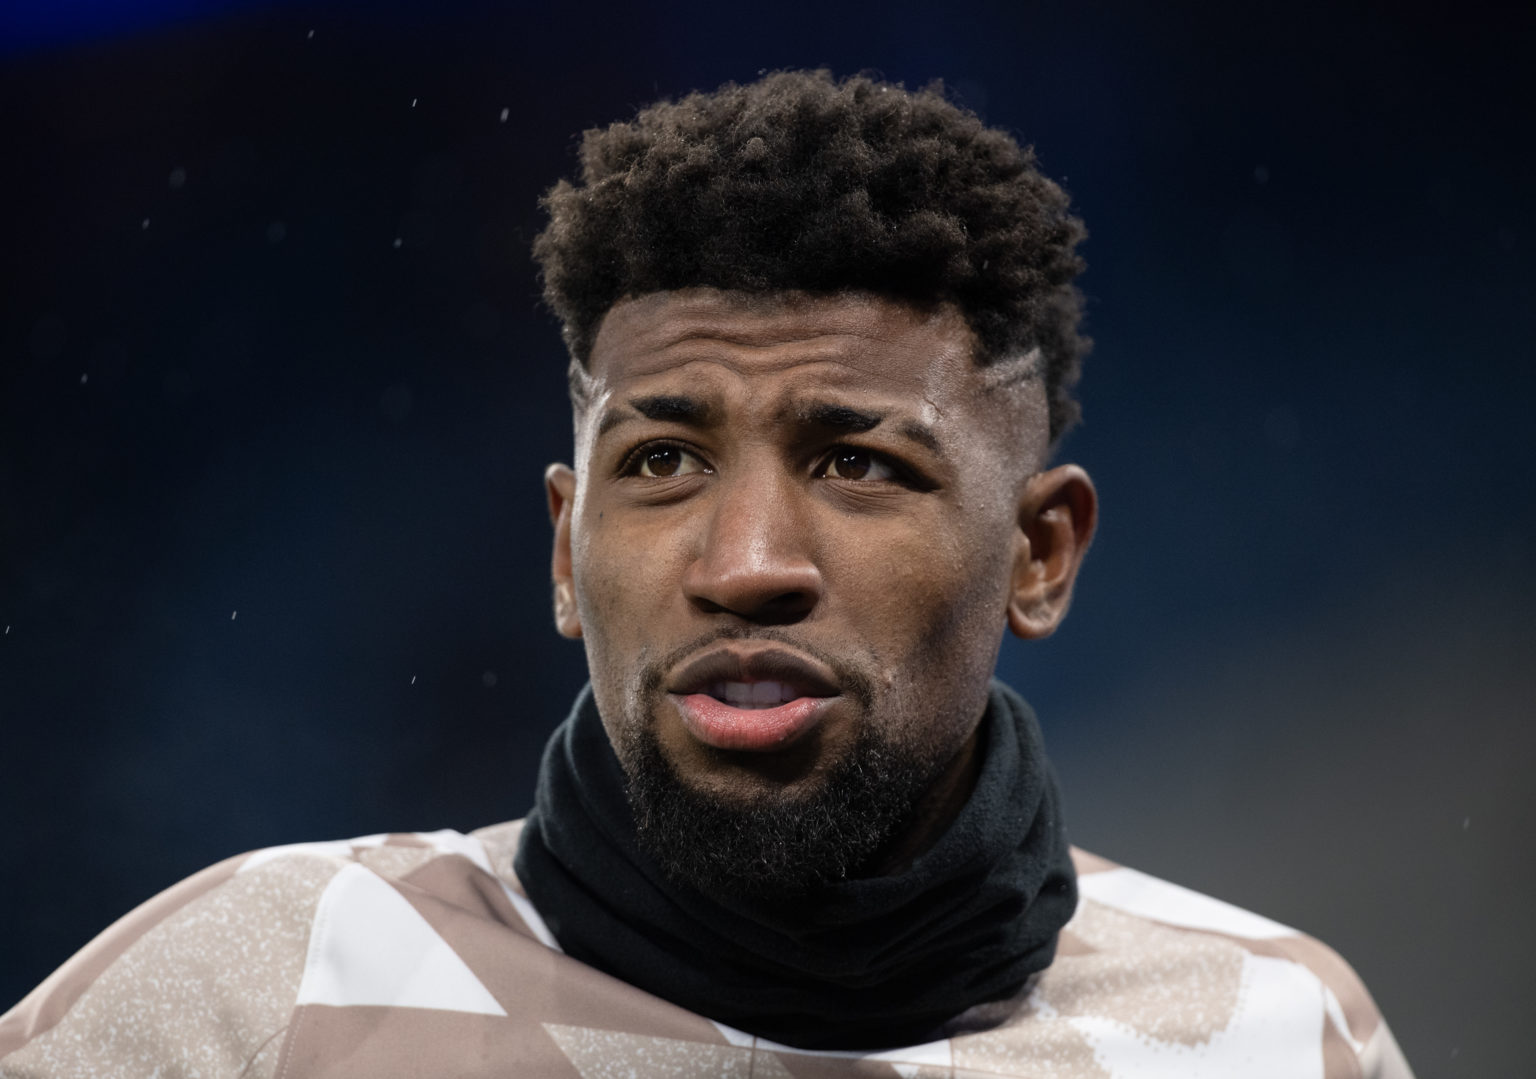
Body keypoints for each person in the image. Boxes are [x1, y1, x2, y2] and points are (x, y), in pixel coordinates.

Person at [0, 69, 1413, 1078]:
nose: (745, 566)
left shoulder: (1272, 1035)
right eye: (664, 464)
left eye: (860, 464)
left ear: (1038, 556)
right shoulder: (247, 1002)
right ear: (565, 549)